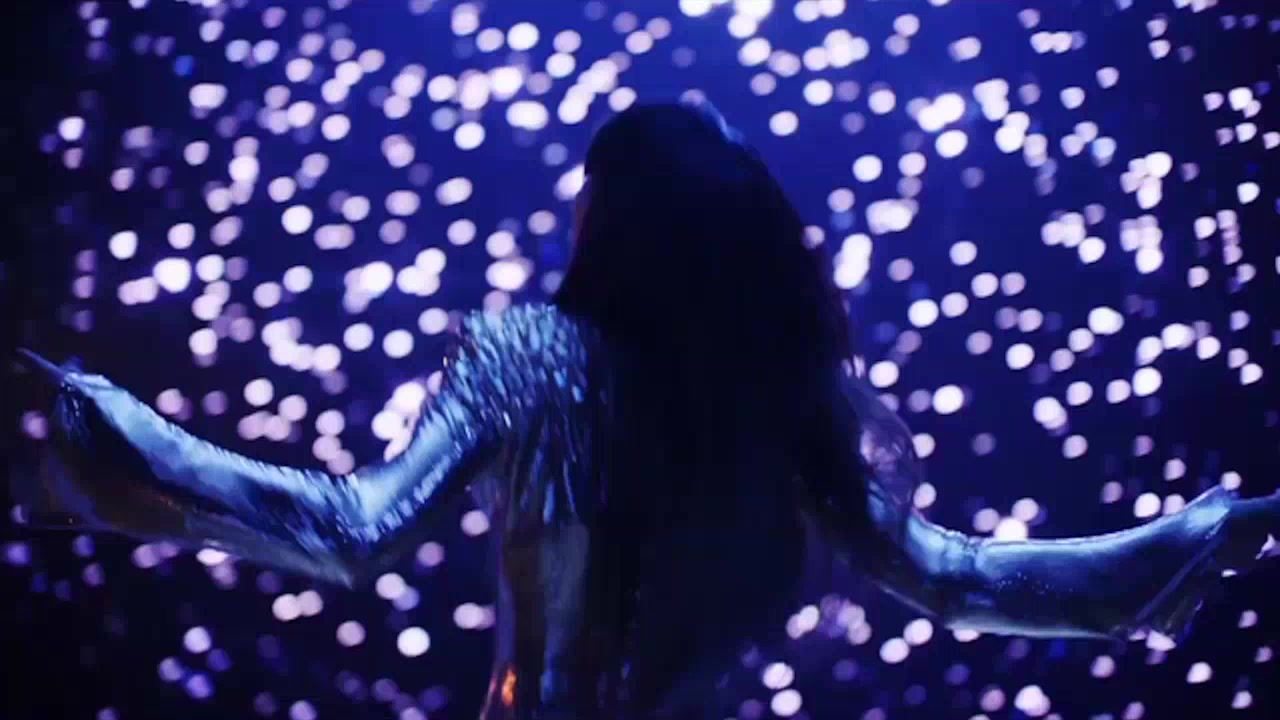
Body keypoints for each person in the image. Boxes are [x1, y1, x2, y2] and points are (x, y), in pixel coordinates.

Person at [10, 101, 1279, 720]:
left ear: (606, 217)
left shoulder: (528, 355)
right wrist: (1176, 543)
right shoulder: (770, 394)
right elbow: (954, 577)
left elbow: (353, 529)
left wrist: (131, 432)